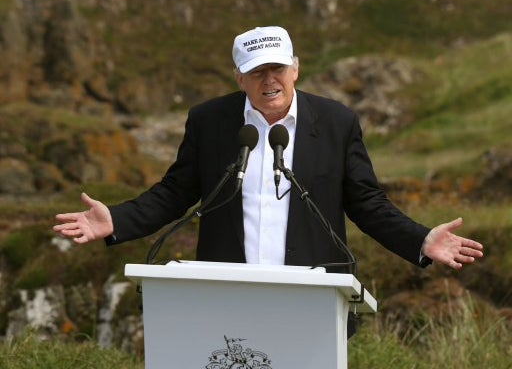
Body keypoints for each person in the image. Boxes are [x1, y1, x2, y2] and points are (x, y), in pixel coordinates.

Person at [54, 26, 483, 273]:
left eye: (277, 68)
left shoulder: (336, 122)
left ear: (295, 68)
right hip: (228, 287)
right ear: (239, 78)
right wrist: (116, 220)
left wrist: (420, 241)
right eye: (255, 72)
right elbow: (175, 193)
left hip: (313, 288)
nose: (268, 80)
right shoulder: (210, 121)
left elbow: (367, 203)